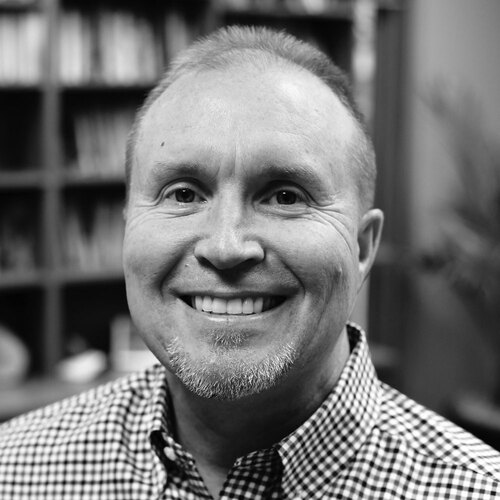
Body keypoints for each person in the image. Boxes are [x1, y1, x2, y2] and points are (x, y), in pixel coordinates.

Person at [1, 26, 499, 500]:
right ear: (130, 227)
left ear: (362, 247)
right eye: (183, 193)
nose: (226, 246)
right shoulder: (16, 471)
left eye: (285, 196)